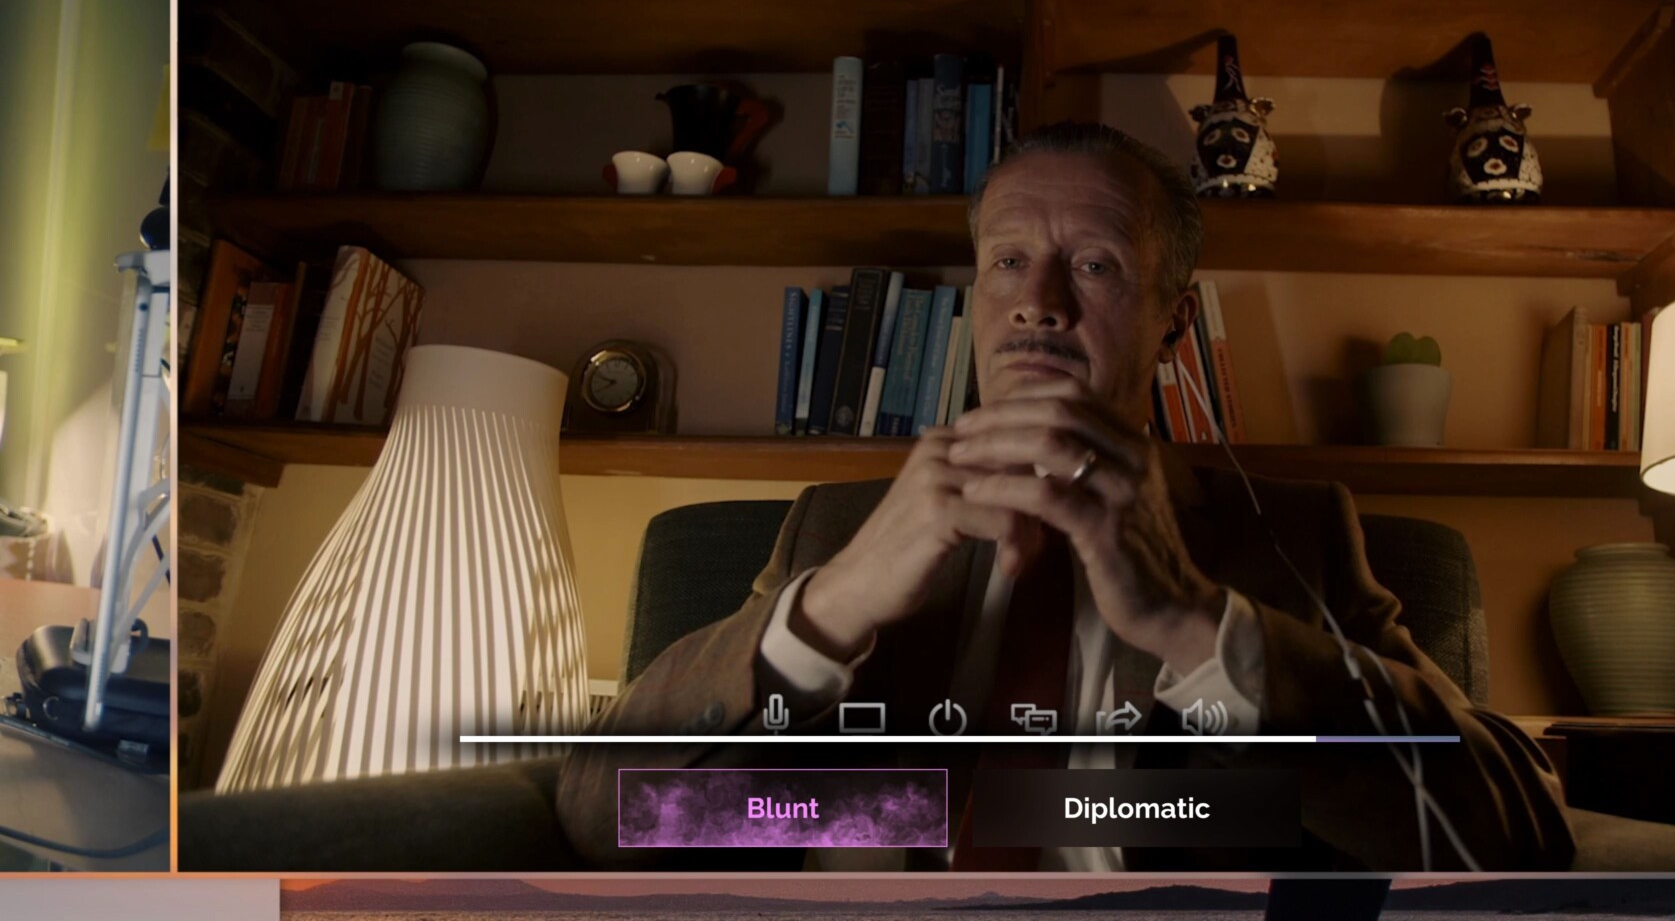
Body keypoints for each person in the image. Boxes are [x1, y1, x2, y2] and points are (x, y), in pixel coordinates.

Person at [557, 122, 1575, 873]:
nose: (1038, 303)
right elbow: (606, 814)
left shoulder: (1296, 536)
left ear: (1174, 322)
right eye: (1009, 262)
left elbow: (1513, 836)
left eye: (1093, 264)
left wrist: (1197, 625)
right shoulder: (836, 525)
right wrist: (833, 604)